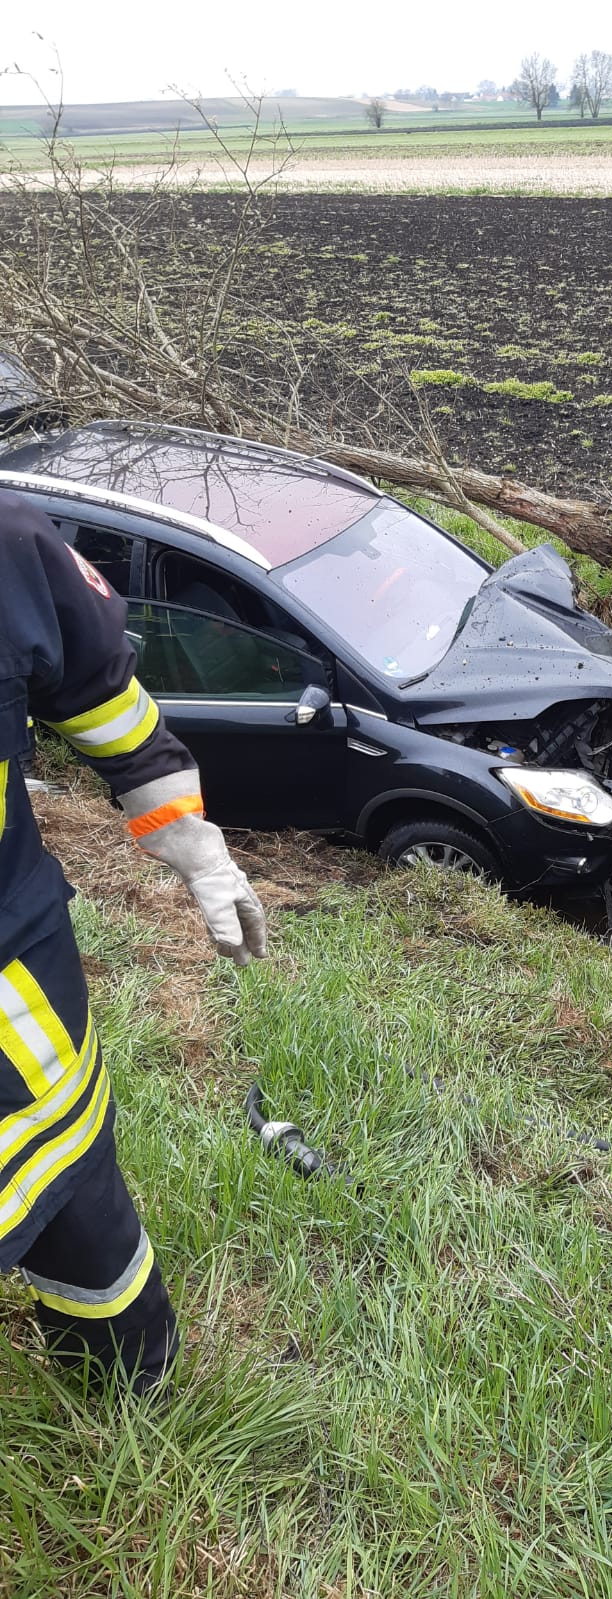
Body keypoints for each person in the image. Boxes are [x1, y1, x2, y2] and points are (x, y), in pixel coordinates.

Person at [0, 490, 267, 1395]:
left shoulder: (8, 545)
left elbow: (96, 693)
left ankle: (129, 1376)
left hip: (8, 973)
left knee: (66, 1175)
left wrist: (184, 831)